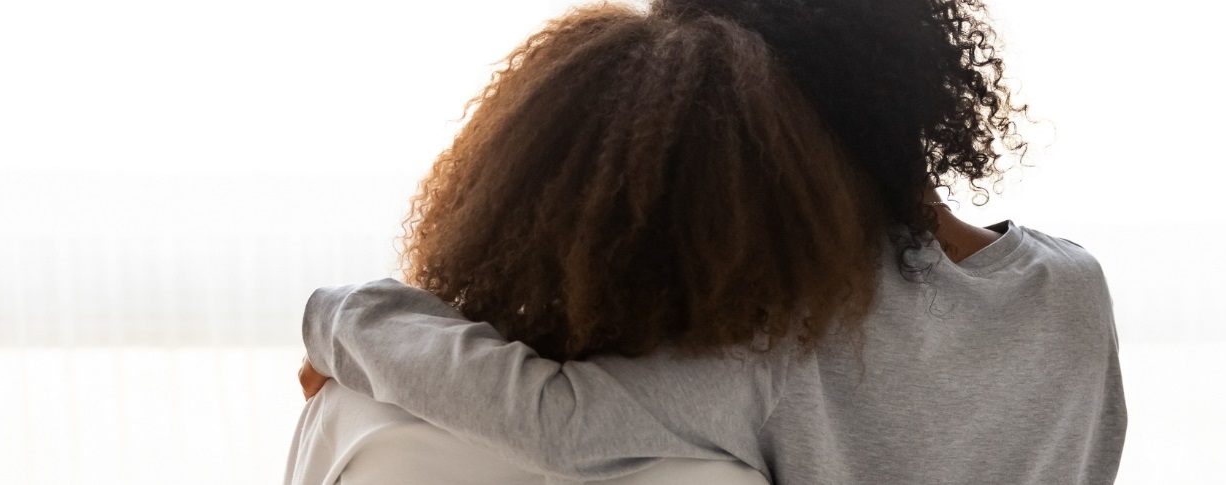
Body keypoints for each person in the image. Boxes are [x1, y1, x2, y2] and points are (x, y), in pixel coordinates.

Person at [298, 0, 1127, 482]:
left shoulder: (788, 335)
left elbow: (555, 417)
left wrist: (345, 318)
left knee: (359, 417)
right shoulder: (1073, 292)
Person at [286, 4, 881, 484]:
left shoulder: (350, 413)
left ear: (503, 193)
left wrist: (344, 317)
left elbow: (558, 422)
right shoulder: (734, 434)